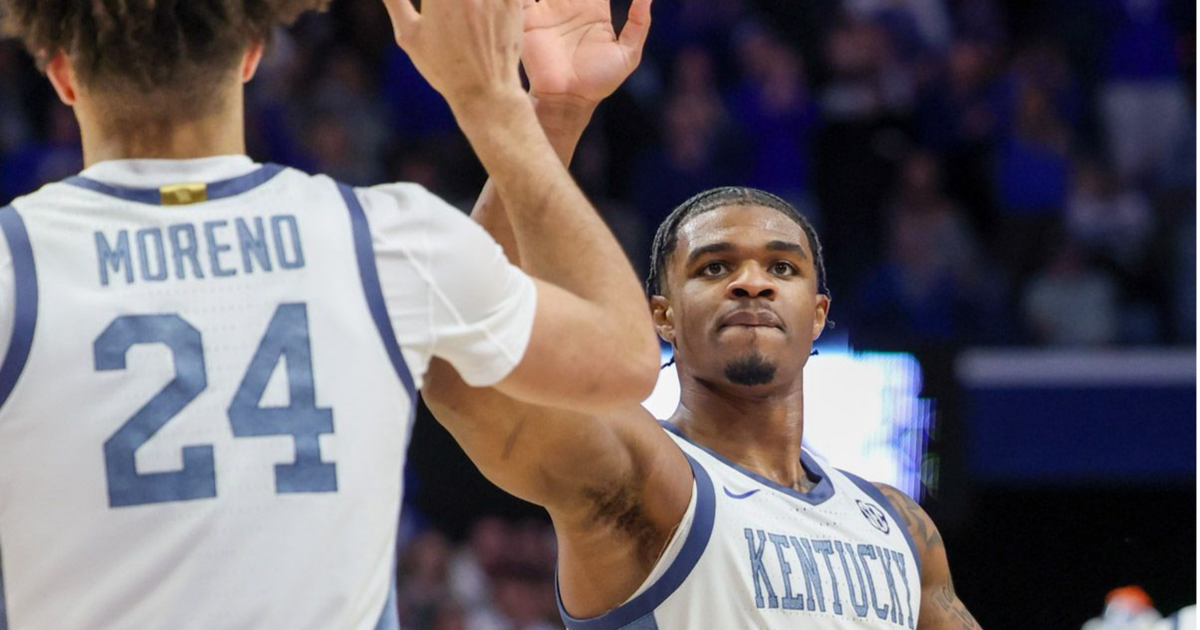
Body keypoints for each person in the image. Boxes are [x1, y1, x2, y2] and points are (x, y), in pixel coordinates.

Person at [0, 0, 660, 627]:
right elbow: (627, 358)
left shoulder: (14, 264)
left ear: (60, 71)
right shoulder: (381, 237)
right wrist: (508, 110)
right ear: (253, 52)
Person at [419, 2, 983, 628]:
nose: (751, 284)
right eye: (714, 268)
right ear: (662, 316)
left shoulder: (902, 528)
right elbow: (461, 374)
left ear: (818, 313)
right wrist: (554, 113)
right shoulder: (654, 478)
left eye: (783, 268)